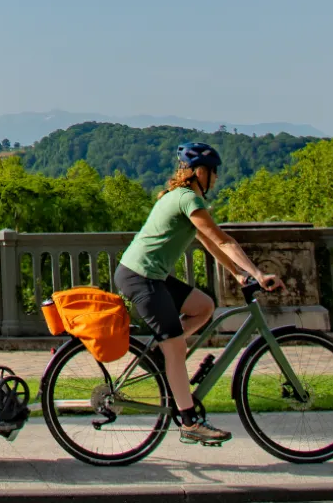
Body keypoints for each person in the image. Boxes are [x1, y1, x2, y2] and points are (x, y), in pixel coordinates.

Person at [114, 142, 284, 446]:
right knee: (177, 348)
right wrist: (258, 274)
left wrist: (238, 275)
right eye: (214, 173)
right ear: (201, 172)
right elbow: (223, 239)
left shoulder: (182, 198)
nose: (216, 179)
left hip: (151, 275)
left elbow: (210, 243)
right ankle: (190, 422)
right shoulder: (187, 198)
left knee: (204, 307)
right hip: (141, 277)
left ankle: (160, 355)